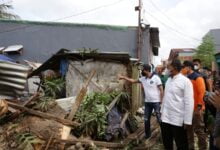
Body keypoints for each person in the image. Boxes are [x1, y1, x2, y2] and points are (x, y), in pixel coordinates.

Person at [119, 64, 163, 139]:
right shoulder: (143, 79)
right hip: (147, 102)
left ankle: (163, 135)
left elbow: (161, 89)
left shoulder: (156, 78)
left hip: (156, 102)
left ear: (147, 70)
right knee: (146, 119)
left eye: (143, 70)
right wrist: (123, 77)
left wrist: (161, 101)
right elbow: (133, 81)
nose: (142, 71)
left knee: (159, 119)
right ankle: (148, 135)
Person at [160, 59, 194, 150]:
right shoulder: (168, 81)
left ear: (174, 67)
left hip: (178, 120)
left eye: (168, 67)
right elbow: (166, 98)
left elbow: (189, 102)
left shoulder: (185, 81)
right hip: (165, 118)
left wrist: (187, 121)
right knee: (167, 143)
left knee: (181, 145)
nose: (166, 69)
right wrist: (161, 112)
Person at [182, 61, 207, 150]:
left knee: (199, 130)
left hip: (197, 108)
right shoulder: (186, 78)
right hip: (188, 108)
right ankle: (191, 147)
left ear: (188, 67)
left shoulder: (198, 77)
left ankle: (203, 148)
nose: (182, 69)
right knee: (189, 129)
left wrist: (199, 107)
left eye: (184, 67)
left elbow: (202, 93)